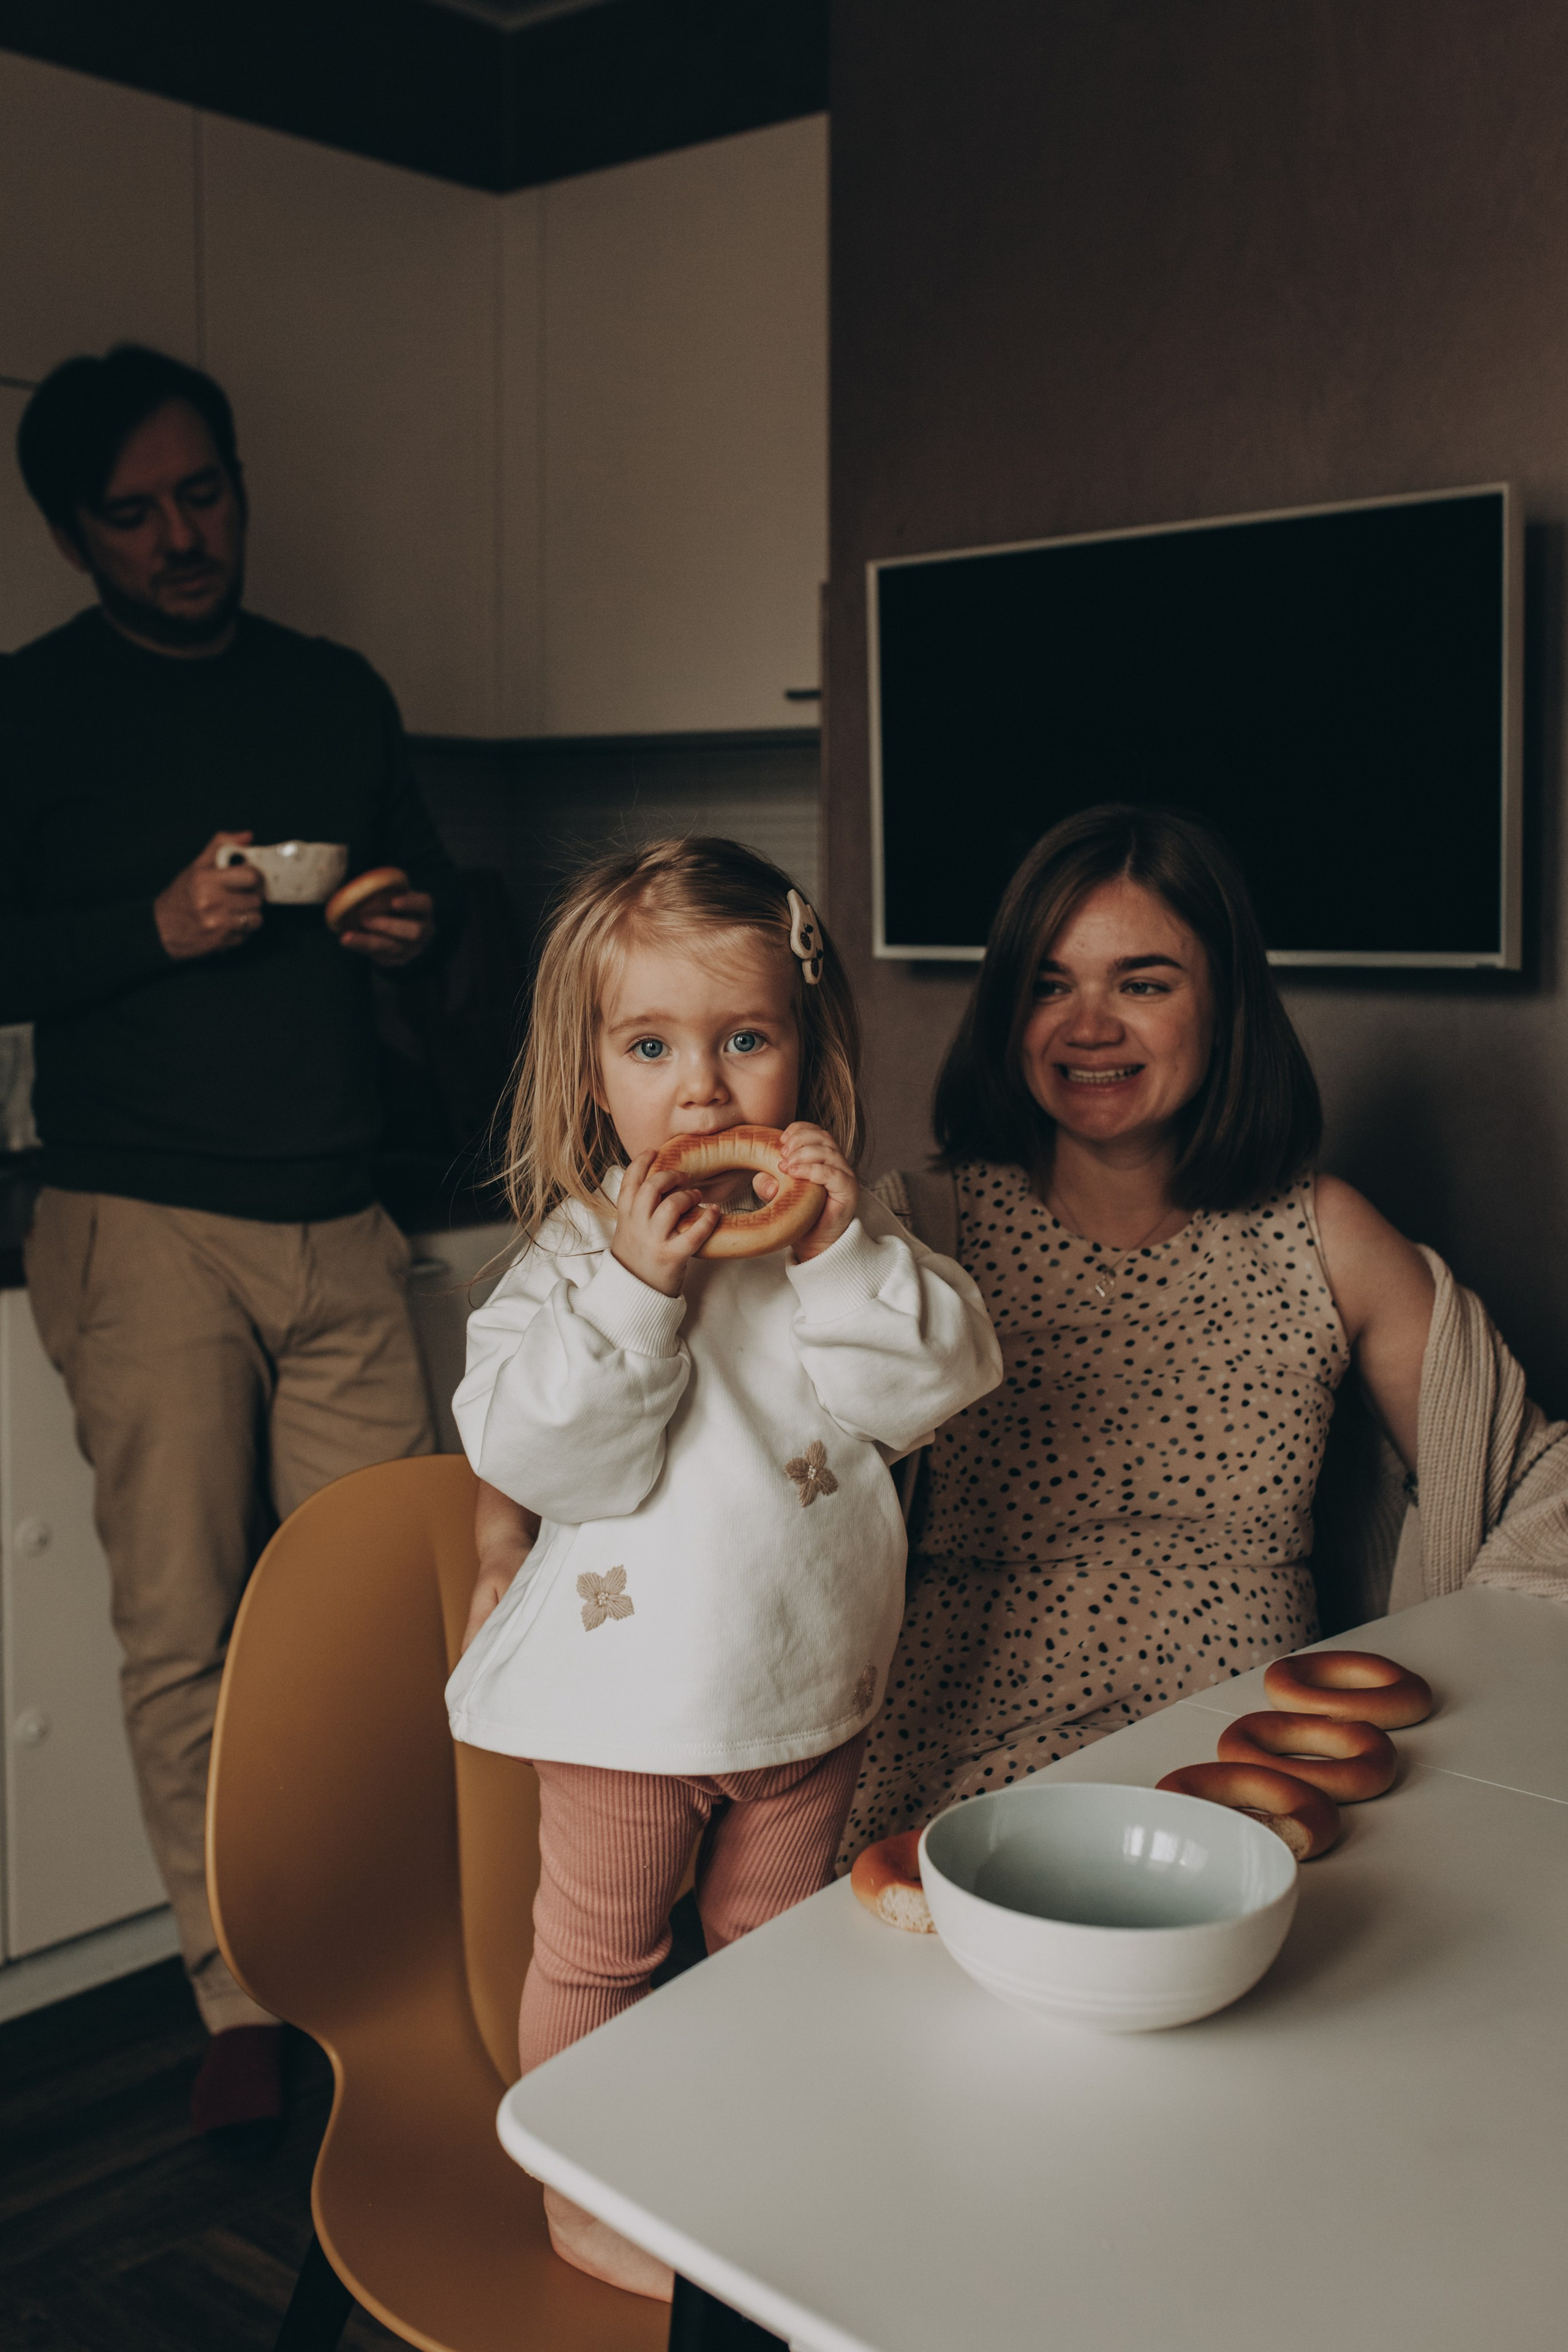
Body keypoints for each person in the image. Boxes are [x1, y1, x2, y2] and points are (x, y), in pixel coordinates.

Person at [0, 345, 461, 2147]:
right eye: (136, 512)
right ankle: (240, 1998)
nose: (183, 536)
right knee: (186, 1626)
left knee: (382, 1615)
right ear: (69, 532)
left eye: (207, 494)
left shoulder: (337, 690)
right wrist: (152, 926)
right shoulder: (28, 710)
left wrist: (407, 930)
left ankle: (384, 1955)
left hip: (334, 1213)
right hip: (140, 1223)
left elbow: (429, 900)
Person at [445, 837, 1001, 2297]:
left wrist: (831, 1254)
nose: (700, 1088)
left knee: (768, 1946)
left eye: (743, 1039)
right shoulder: (567, 1269)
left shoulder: (846, 1243)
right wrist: (639, 1293)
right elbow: (552, 1457)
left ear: (806, 1063)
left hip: (811, 1688)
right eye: (649, 1046)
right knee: (598, 1958)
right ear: (592, 1079)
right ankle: (579, 2185)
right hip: (630, 1713)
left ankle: (734, 2161)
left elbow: (929, 1386)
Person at [843, 802, 1568, 1864]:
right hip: (961, 1764)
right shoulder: (915, 1234)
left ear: (1224, 1004)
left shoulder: (1330, 1237)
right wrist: (497, 1535)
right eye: (1051, 983)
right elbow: (742, 1468)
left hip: (1251, 1763)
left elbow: (1522, 1477)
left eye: (1143, 982)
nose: (1090, 1025)